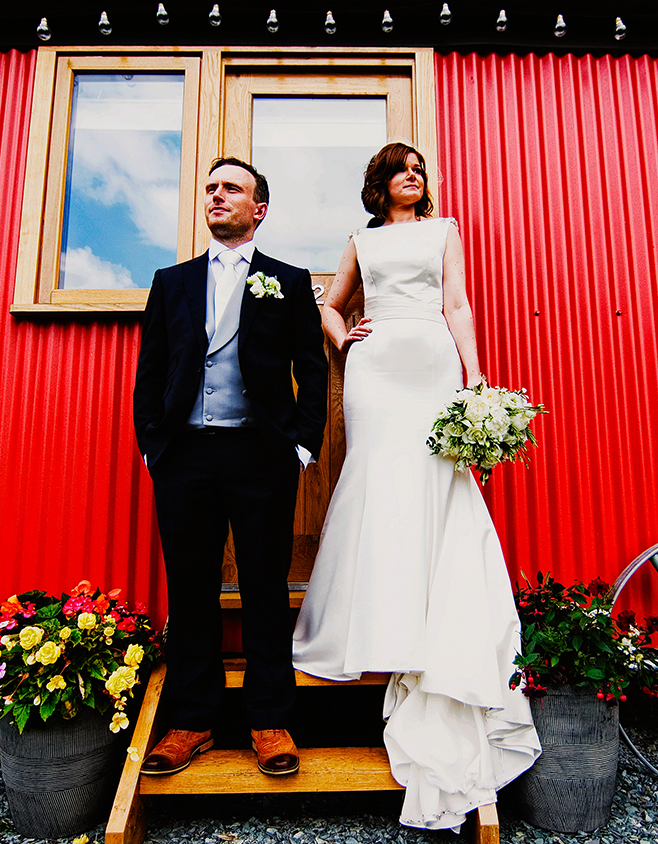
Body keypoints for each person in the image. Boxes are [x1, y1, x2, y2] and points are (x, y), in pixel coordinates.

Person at [292, 142, 541, 829]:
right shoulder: (358, 241)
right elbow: (330, 304)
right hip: (376, 369)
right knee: (377, 480)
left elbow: (456, 303)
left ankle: (432, 616)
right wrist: (344, 338)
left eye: (419, 168)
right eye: (401, 168)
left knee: (434, 480)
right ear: (380, 183)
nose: (413, 175)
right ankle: (371, 621)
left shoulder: (444, 231)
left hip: (430, 361)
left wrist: (476, 378)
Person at [134, 157, 327, 777]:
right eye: (211, 188)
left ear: (258, 209)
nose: (217, 195)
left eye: (232, 188)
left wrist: (302, 443)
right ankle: (192, 721)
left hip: (259, 455)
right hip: (184, 456)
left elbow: (312, 367)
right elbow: (152, 368)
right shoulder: (172, 281)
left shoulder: (288, 281)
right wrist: (152, 444)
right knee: (191, 590)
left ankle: (268, 720)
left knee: (265, 588)